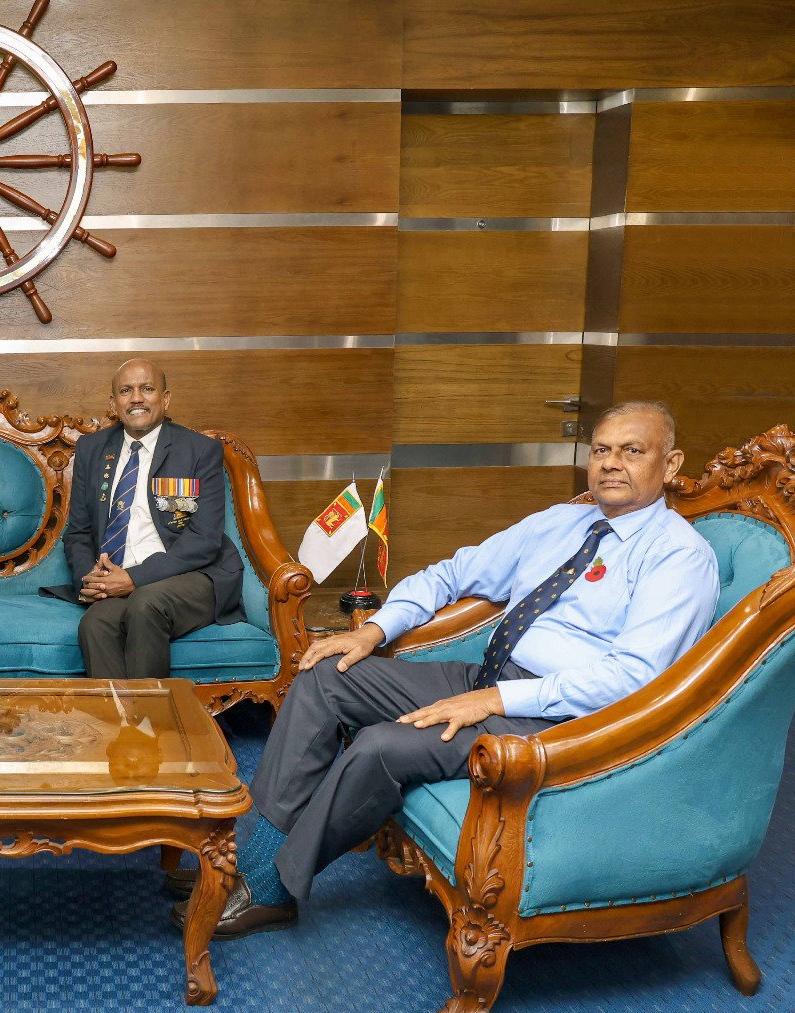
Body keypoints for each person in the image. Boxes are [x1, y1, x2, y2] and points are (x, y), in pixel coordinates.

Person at [172, 400, 719, 938]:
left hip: (561, 719)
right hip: (490, 676)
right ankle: (248, 856)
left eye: (632, 451)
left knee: (382, 746)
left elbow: (632, 678)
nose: (611, 464)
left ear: (670, 464)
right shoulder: (561, 522)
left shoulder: (679, 556)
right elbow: (450, 574)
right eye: (601, 450)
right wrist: (372, 631)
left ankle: (270, 889)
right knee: (326, 673)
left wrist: (496, 701)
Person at [40, 358, 245, 678]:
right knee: (95, 623)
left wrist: (134, 578)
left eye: (147, 389)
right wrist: (90, 579)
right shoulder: (93, 449)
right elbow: (78, 532)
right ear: (113, 404)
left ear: (165, 398)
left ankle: (152, 712)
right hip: (117, 577)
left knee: (146, 604)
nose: (136, 398)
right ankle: (118, 713)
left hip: (191, 575)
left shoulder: (199, 450)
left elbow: (204, 539)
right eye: (126, 391)